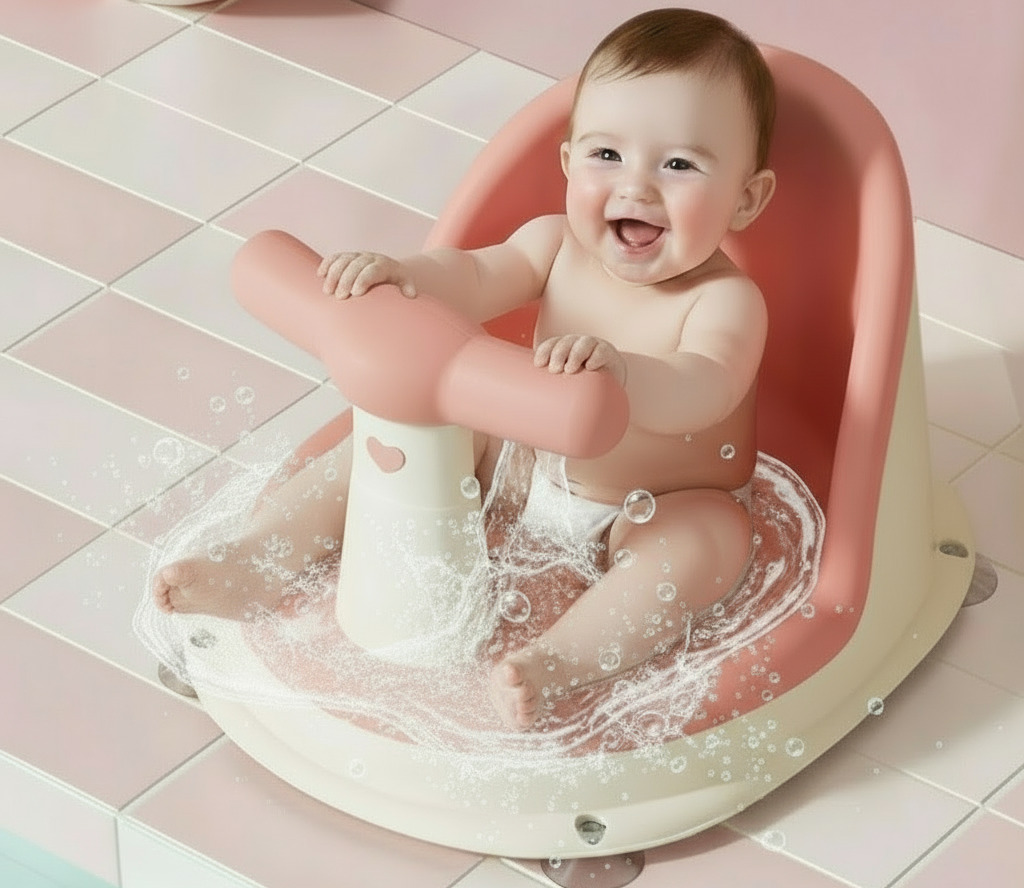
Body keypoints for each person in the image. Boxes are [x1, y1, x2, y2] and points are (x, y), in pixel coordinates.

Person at [154, 8, 777, 731]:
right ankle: (257, 558)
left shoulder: (726, 300)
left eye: (678, 165)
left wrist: (629, 377)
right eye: (608, 156)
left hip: (654, 502)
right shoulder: (553, 245)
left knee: (707, 545)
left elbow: (706, 385)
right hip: (527, 462)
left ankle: (558, 663)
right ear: (570, 162)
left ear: (745, 198)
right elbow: (477, 274)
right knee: (392, 445)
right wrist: (402, 273)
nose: (635, 188)